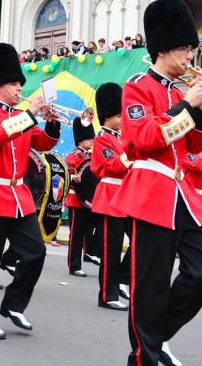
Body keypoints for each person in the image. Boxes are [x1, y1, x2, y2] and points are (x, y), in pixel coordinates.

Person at [110, 0, 202, 366]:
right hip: (150, 191)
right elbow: (145, 139)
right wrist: (187, 105)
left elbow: (193, 145)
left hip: (182, 194)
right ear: (163, 48)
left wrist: (201, 111)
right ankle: (144, 355)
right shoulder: (138, 87)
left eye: (191, 49)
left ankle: (156, 337)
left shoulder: (179, 90)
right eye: (183, 49)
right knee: (151, 285)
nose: (189, 56)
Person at [0, 42, 60, 340]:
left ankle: (13, 304)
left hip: (18, 196)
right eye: (13, 82)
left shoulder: (22, 116)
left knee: (35, 251)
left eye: (20, 82)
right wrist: (30, 113)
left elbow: (43, 143)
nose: (19, 87)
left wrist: (52, 124)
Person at [91, 82, 130, 311]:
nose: (121, 119)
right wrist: (132, 153)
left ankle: (122, 279)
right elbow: (114, 165)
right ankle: (107, 294)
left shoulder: (120, 138)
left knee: (138, 242)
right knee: (111, 249)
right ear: (107, 116)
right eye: (118, 115)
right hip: (109, 196)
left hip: (125, 195)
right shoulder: (102, 139)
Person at [65, 117, 97, 277]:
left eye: (92, 138)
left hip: (88, 201)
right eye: (88, 139)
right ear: (80, 140)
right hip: (75, 199)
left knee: (90, 230)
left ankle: (90, 253)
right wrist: (73, 177)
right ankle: (74, 265)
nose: (91, 141)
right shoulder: (73, 156)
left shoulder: (92, 157)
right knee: (76, 235)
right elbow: (66, 176)